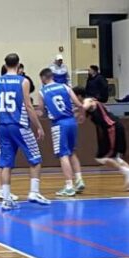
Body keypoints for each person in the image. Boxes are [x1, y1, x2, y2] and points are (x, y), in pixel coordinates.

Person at [0, 53, 50, 211]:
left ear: (5, 64)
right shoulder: (23, 81)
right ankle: (34, 192)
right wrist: (38, 126)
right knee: (35, 159)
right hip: (19, 124)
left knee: (6, 163)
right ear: (18, 65)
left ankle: (6, 199)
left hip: (2, 125)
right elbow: (28, 106)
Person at [73, 87, 129, 191]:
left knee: (102, 158)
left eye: (74, 96)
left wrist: (77, 110)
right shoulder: (87, 104)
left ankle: (127, 172)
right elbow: (79, 118)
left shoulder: (88, 100)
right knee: (114, 158)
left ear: (79, 96)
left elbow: (83, 107)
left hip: (112, 127)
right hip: (111, 129)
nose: (73, 99)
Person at [40, 67, 85, 198]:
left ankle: (69, 186)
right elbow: (79, 104)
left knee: (63, 154)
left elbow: (41, 111)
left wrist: (31, 113)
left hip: (59, 124)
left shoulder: (42, 91)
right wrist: (81, 115)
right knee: (72, 152)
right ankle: (79, 179)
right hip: (71, 121)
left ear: (43, 78)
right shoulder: (65, 86)